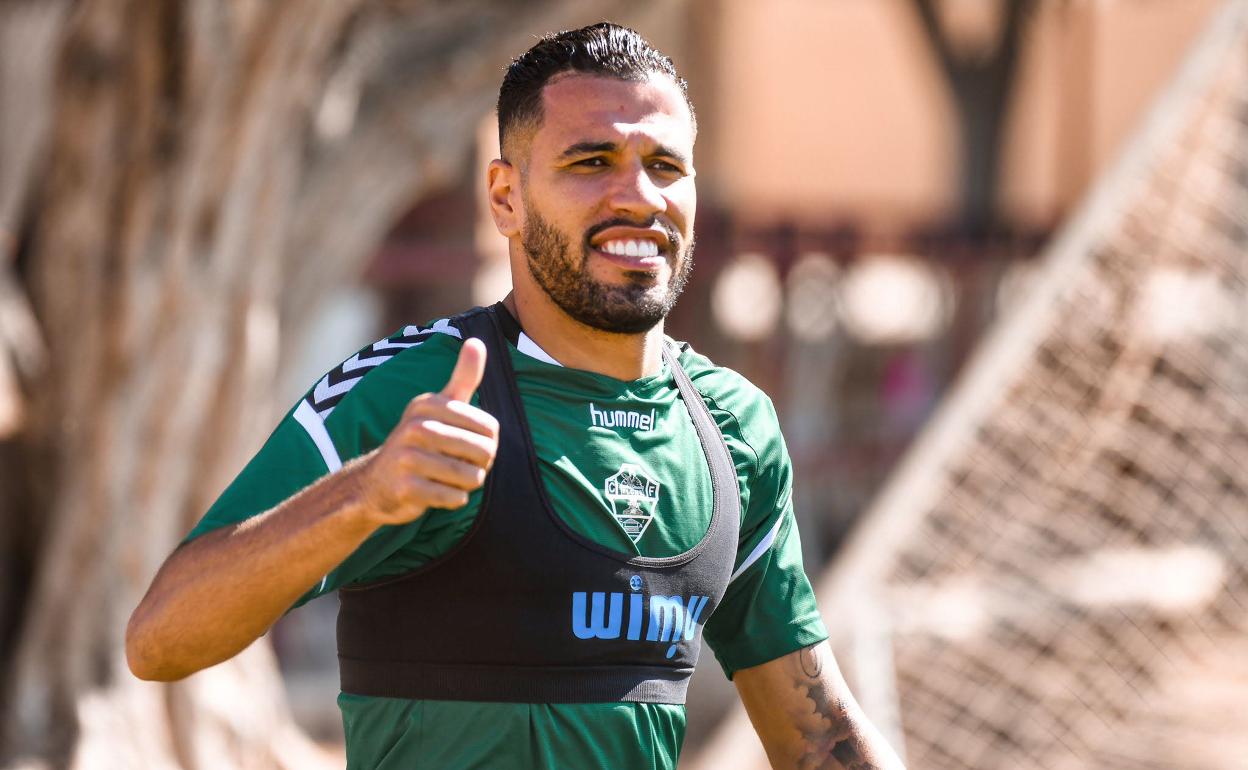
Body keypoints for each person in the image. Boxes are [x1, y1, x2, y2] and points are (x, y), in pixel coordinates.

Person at [126, 22, 906, 770]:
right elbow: (159, 639)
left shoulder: (732, 429)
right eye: (592, 161)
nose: (638, 196)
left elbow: (817, 739)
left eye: (665, 166)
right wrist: (364, 495)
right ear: (505, 197)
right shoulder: (414, 389)